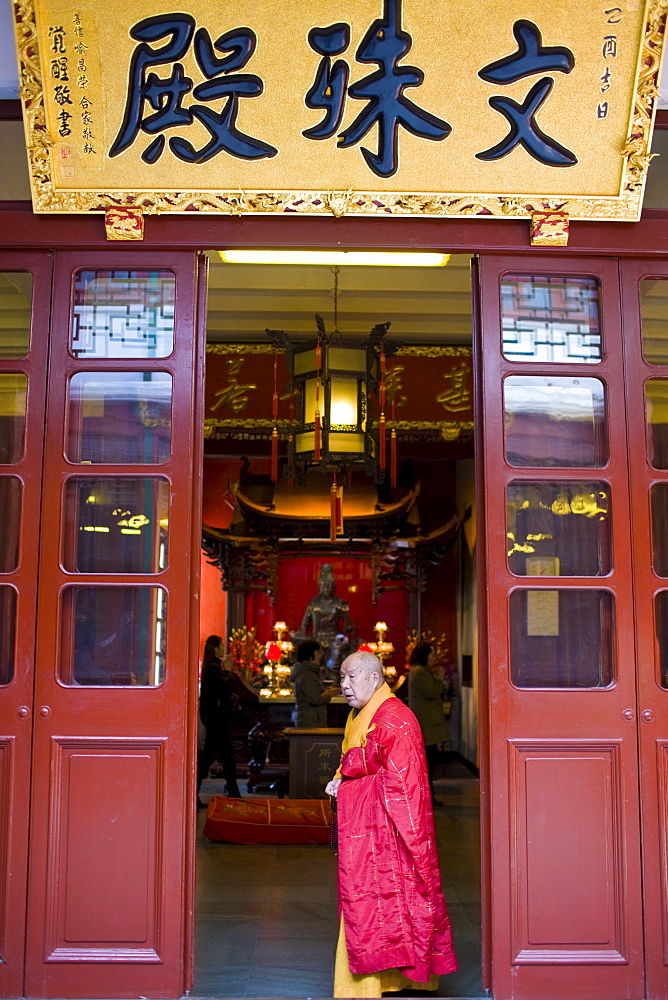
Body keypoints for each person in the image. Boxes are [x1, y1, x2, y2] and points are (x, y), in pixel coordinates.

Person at [326, 651, 457, 997]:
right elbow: (352, 756)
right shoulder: (359, 715)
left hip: (393, 832)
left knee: (397, 902)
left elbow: (401, 780)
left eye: (352, 677)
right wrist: (342, 776)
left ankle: (395, 979)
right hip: (369, 831)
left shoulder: (397, 718)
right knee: (366, 907)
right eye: (341, 677)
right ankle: (376, 981)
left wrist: (350, 775)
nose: (344, 685)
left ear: (374, 678)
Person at [197, 634, 241, 804]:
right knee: (222, 756)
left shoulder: (211, 666)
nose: (224, 649)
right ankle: (232, 790)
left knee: (213, 756)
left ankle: (232, 789)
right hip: (217, 719)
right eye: (222, 646)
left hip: (214, 718)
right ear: (215, 648)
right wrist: (229, 670)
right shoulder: (214, 668)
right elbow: (227, 687)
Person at [408, 641, 450, 807]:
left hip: (427, 726)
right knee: (428, 764)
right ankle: (426, 799)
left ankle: (429, 798)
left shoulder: (422, 672)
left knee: (429, 763)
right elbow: (432, 692)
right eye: (432, 655)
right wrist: (439, 679)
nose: (434, 659)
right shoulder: (419, 673)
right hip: (425, 727)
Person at [290, 640, 339, 727]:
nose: (320, 656)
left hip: (309, 720)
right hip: (311, 722)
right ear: (310, 657)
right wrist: (329, 694)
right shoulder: (307, 675)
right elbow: (314, 699)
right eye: (317, 653)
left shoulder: (305, 672)